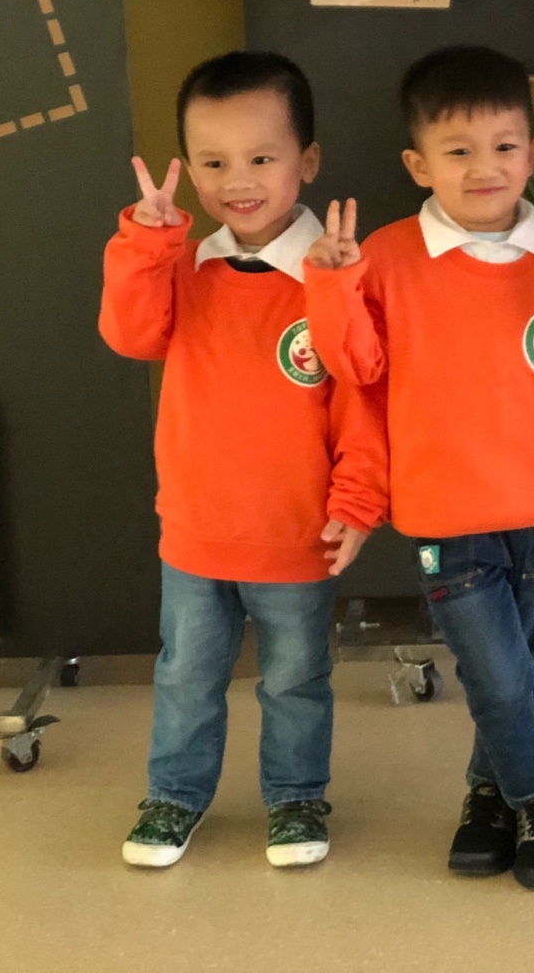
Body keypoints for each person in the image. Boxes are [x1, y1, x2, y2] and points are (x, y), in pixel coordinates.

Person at [302, 45, 534, 893]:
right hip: (442, 517)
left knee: (519, 671)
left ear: (532, 151)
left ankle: (486, 802)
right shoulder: (383, 259)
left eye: (505, 146)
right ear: (418, 164)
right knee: (498, 674)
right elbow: (357, 376)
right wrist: (332, 290)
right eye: (458, 150)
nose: (485, 168)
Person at [99, 51, 386, 869]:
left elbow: (363, 389)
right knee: (185, 675)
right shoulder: (184, 266)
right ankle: (174, 795)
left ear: (308, 161)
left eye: (262, 157)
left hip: (296, 534)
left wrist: (358, 503)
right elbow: (130, 334)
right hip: (195, 529)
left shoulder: (335, 274)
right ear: (189, 170)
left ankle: (295, 798)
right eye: (215, 163)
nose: (239, 181)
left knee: (295, 681)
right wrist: (147, 241)